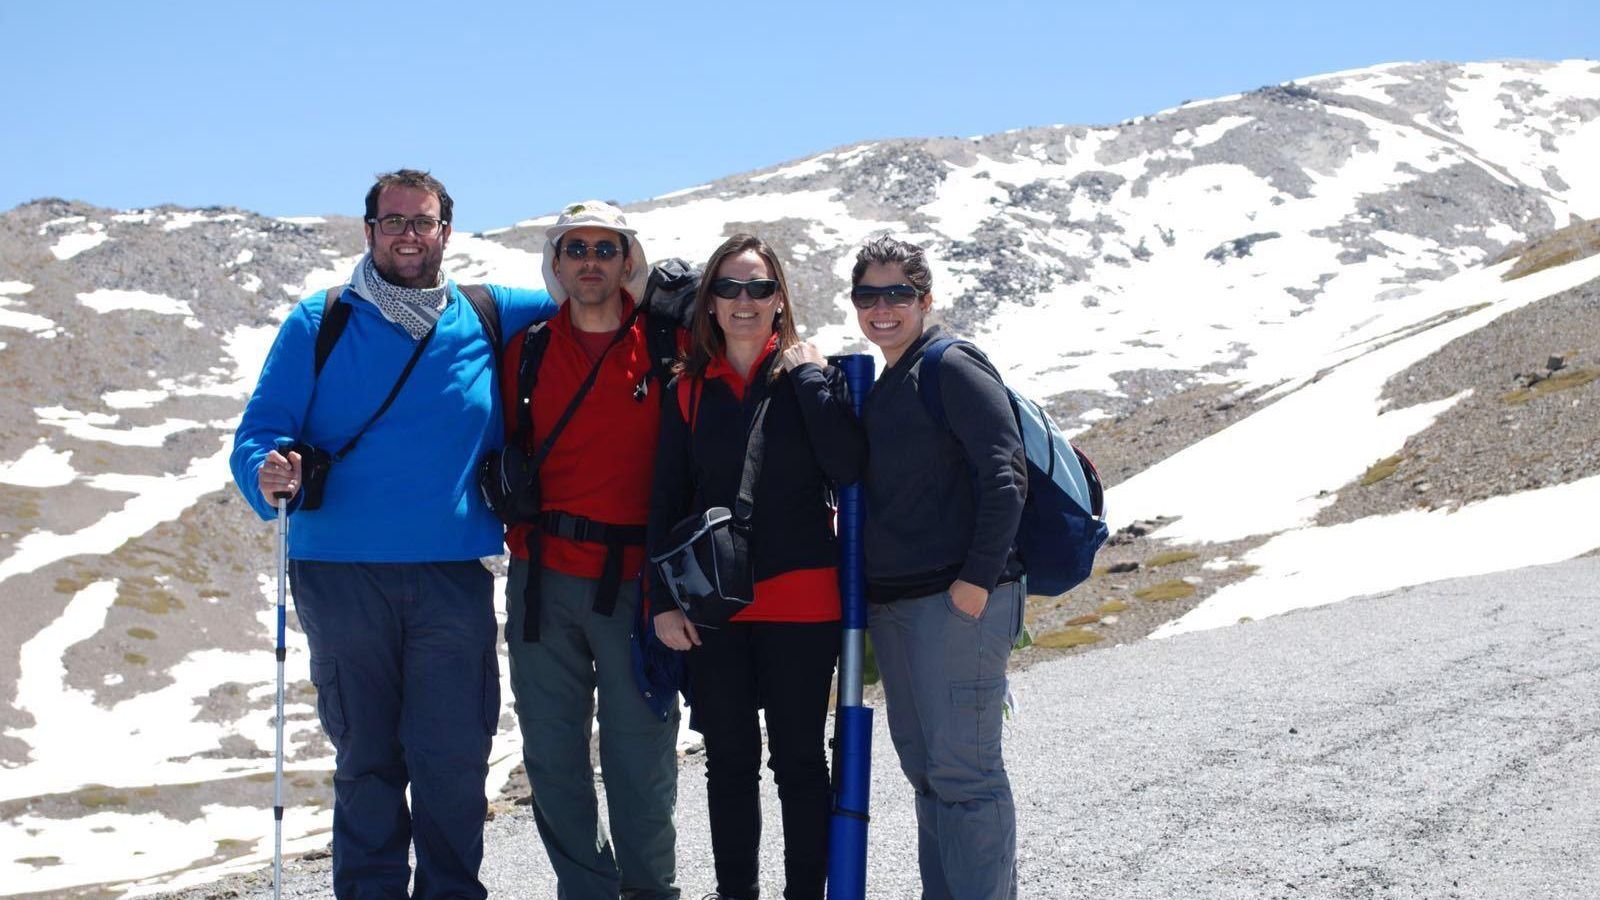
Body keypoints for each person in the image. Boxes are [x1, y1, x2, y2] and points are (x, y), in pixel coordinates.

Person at [229, 169, 557, 899]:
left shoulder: (489, 312)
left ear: (447, 229)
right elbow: (258, 435)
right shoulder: (322, 321)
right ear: (369, 230)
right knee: (368, 758)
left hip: (450, 575)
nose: (409, 233)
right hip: (339, 575)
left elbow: (592, 295)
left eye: (424, 221)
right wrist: (267, 471)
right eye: (394, 221)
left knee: (453, 758)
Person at [649, 234, 865, 900]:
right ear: (709, 302)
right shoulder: (687, 391)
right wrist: (661, 602)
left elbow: (851, 468)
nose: (744, 302)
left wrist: (806, 376)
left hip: (804, 604)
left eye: (759, 288)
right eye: (729, 288)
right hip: (715, 608)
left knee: (799, 762)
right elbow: (664, 500)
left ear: (780, 301)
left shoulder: (815, 378)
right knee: (730, 764)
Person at [499, 201, 682, 900]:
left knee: (643, 758)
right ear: (557, 262)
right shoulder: (529, 350)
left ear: (628, 261)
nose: (590, 262)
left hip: (640, 584)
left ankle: (651, 892)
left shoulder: (667, 348)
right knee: (553, 757)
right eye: (576, 248)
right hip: (541, 581)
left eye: (606, 249)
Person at [850, 235, 1027, 900]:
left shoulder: (950, 364)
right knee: (927, 771)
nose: (883, 307)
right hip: (899, 605)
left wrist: (976, 583)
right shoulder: (893, 378)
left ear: (926, 299)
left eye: (898, 293)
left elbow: (1004, 473)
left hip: (957, 602)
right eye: (869, 294)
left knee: (966, 774)